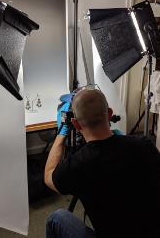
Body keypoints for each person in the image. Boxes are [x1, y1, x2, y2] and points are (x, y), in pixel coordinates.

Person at [44, 89, 160, 238]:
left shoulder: (79, 164)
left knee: (57, 218)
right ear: (110, 113)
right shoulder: (145, 145)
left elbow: (48, 176)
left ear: (76, 124)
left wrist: (62, 131)